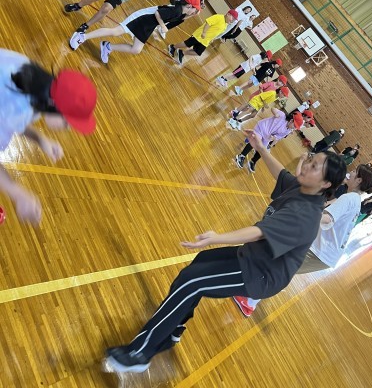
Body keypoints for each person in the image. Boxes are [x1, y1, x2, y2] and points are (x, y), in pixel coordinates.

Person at [104, 130, 346, 373]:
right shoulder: (302, 188)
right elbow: (281, 174)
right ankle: (174, 328)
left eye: (314, 167)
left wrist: (216, 238)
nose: (306, 165)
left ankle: (140, 353)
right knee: (200, 263)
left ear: (325, 184)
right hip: (253, 256)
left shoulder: (306, 215)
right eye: (311, 160)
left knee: (191, 282)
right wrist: (260, 147)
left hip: (261, 274)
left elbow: (258, 232)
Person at [233, 162, 372, 316]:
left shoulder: (349, 198)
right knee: (277, 265)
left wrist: (302, 216)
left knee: (278, 268)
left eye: (355, 171)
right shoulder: (354, 199)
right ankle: (249, 294)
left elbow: (327, 219)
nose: (351, 172)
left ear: (359, 180)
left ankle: (250, 301)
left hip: (321, 252)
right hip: (321, 250)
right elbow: (329, 208)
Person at [0, 48, 97, 224]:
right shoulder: (13, 107)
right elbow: (10, 116)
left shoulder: (36, 80)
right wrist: (18, 193)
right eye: (68, 122)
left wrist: (41, 140)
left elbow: (17, 121)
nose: (68, 129)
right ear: (55, 105)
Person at [68, 0, 201, 64]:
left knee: (136, 49)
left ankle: (107, 47)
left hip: (148, 25)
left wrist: (193, 14)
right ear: (189, 6)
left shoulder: (180, 11)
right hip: (142, 18)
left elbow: (182, 17)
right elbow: (158, 13)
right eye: (195, 9)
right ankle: (82, 36)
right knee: (115, 32)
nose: (194, 12)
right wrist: (162, 26)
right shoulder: (175, 10)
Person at [235, 109, 304, 173]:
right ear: (291, 120)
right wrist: (276, 114)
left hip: (267, 136)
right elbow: (273, 108)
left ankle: (252, 161)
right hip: (262, 127)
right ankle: (241, 156)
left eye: (296, 127)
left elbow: (279, 136)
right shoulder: (282, 116)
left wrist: (273, 137)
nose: (294, 128)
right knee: (255, 141)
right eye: (294, 126)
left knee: (263, 149)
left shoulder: (288, 130)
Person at [168, 10, 238, 65]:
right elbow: (208, 23)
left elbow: (216, 32)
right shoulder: (219, 17)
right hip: (200, 35)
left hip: (206, 41)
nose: (233, 20)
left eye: (234, 20)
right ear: (228, 14)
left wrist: (212, 39)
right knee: (187, 44)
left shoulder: (225, 25)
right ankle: (173, 47)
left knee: (198, 52)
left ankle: (182, 53)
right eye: (233, 18)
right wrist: (204, 32)